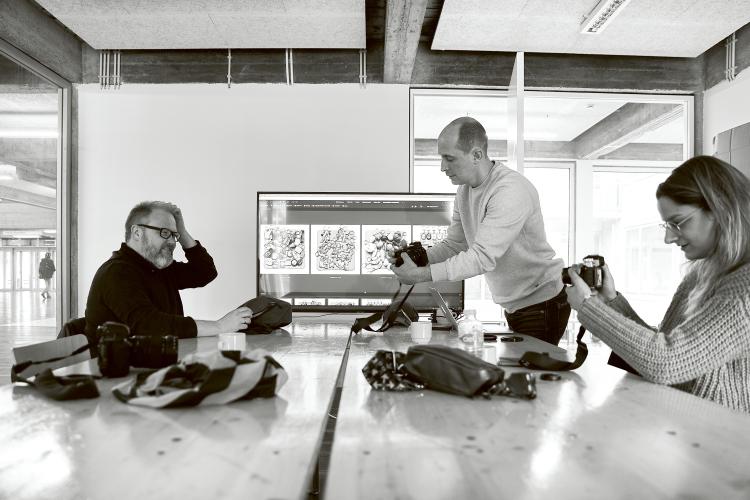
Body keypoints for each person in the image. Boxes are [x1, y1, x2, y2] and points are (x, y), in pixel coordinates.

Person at [566, 156, 750, 412]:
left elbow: (667, 362)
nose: (668, 238)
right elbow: (667, 343)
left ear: (720, 209)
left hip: (718, 439)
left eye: (678, 222)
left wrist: (587, 307)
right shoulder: (701, 273)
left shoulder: (744, 292)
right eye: (667, 224)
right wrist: (610, 301)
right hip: (681, 426)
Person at [391, 117, 569, 345]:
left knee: (526, 378)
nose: (442, 167)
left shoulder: (510, 191)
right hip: (516, 304)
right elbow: (455, 245)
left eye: (449, 158)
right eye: (441, 158)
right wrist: (417, 260)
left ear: (476, 155)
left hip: (542, 304)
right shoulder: (464, 192)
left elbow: (482, 258)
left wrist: (423, 275)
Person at [85, 201, 253, 346]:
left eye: (174, 235)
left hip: (155, 366)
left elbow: (205, 272)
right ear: (137, 232)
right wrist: (219, 326)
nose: (172, 242)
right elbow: (149, 324)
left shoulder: (158, 266)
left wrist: (182, 232)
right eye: (165, 233)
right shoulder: (116, 273)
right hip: (116, 376)